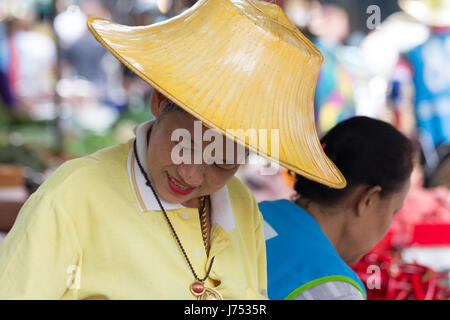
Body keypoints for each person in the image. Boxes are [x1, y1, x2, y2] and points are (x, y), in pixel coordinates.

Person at [0, 0, 345, 299]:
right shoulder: (71, 197)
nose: (192, 174)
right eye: (186, 145)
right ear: (159, 99)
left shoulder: (241, 206)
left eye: (223, 162)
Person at [260, 116, 415, 300]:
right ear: (368, 199)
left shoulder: (256, 213)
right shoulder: (336, 290)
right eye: (394, 211)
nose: (390, 223)